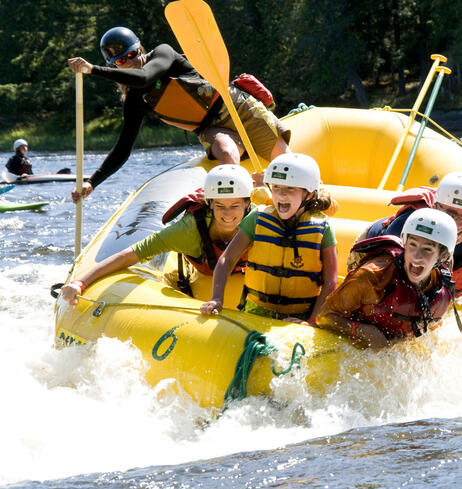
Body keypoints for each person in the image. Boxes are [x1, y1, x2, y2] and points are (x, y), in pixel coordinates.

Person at [66, 26, 291, 203]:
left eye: (134, 53)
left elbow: (145, 77)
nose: (132, 61)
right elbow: (123, 149)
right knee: (226, 151)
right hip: (211, 128)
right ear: (115, 65)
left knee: (285, 162)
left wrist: (93, 70)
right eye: (123, 60)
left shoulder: (164, 53)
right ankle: (245, 204)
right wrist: (92, 182)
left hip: (237, 106)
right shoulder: (135, 101)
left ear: (140, 48)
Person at [60, 164, 254, 305]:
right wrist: (80, 282)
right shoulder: (190, 230)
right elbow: (132, 253)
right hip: (206, 276)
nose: (228, 215)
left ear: (247, 204)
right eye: (220, 206)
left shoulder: (259, 221)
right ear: (210, 204)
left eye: (235, 206)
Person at [200, 153, 338, 324]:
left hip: (299, 317)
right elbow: (227, 259)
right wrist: (217, 298)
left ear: (308, 194)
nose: (281, 195)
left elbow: (331, 282)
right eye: (276, 187)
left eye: (290, 189)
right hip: (256, 311)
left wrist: (312, 321)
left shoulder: (323, 229)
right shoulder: (257, 219)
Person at [316, 208, 458, 349]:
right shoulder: (372, 276)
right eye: (412, 245)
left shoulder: (440, 285)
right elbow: (323, 316)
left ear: (443, 256)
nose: (416, 256)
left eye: (427, 249)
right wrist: (362, 331)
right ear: (404, 243)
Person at [358, 172, 462, 299]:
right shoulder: (406, 229)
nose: (458, 225)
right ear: (436, 207)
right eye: (450, 214)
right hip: (374, 247)